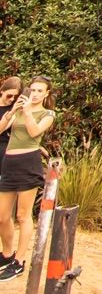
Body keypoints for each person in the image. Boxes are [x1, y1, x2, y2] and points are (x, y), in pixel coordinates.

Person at [0, 77, 56, 281]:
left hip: (28, 163)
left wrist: (26, 112)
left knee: (23, 215)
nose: (34, 94)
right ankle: (7, 254)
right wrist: (13, 111)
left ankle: (19, 261)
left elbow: (34, 132)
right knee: (2, 216)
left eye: (40, 90)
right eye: (32, 90)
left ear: (47, 93)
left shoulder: (47, 114)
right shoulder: (20, 109)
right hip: (9, 163)